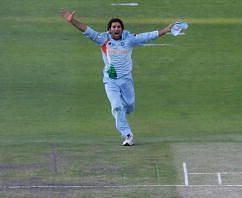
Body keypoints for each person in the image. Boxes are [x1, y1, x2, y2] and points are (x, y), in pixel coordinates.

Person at [61, 9, 174, 146]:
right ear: (109, 29)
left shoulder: (129, 40)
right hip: (111, 81)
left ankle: (123, 112)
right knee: (117, 107)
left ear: (122, 29)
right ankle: (127, 134)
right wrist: (72, 21)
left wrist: (165, 30)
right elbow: (87, 30)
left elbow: (147, 36)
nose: (116, 29)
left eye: (118, 27)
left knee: (130, 106)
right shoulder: (104, 39)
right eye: (114, 27)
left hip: (126, 80)